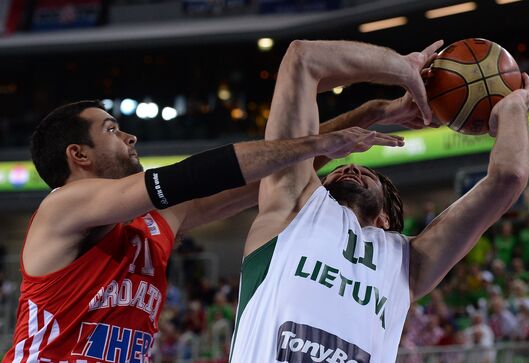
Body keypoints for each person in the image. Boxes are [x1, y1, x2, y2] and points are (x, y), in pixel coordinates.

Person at [4, 99, 404, 362]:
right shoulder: (62, 207)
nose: (130, 136)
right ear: (78, 155)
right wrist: (322, 141)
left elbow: (274, 173)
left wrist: (372, 117)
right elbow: (189, 176)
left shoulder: (152, 222)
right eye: (110, 129)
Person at [229, 39, 529, 363]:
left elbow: (508, 178)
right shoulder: (291, 206)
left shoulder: (407, 263)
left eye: (366, 173)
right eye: (336, 170)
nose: (349, 167)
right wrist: (404, 69)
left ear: (386, 219)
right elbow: (302, 59)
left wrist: (511, 108)